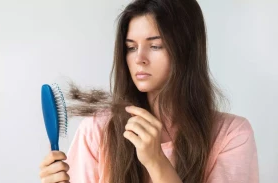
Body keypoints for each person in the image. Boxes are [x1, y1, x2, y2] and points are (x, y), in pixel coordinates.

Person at [39, 0, 259, 182]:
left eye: (155, 46)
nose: (139, 59)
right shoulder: (97, 131)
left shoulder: (231, 135)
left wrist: (156, 161)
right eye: (131, 47)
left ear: (186, 50)